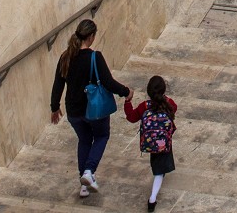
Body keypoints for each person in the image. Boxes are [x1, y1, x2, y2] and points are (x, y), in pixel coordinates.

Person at [50, 18, 131, 199]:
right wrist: (126, 92)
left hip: (73, 111)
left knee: (85, 141)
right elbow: (108, 83)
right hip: (94, 110)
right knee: (102, 136)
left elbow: (58, 84)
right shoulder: (95, 57)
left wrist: (54, 107)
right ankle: (88, 171)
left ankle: (84, 185)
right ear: (91, 36)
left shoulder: (65, 56)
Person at [125, 76, 177, 211]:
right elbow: (174, 110)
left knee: (159, 168)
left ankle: (154, 194)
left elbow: (131, 117)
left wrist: (127, 102)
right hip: (164, 143)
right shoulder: (169, 103)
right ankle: (152, 199)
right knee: (159, 172)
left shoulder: (144, 106)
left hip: (150, 142)